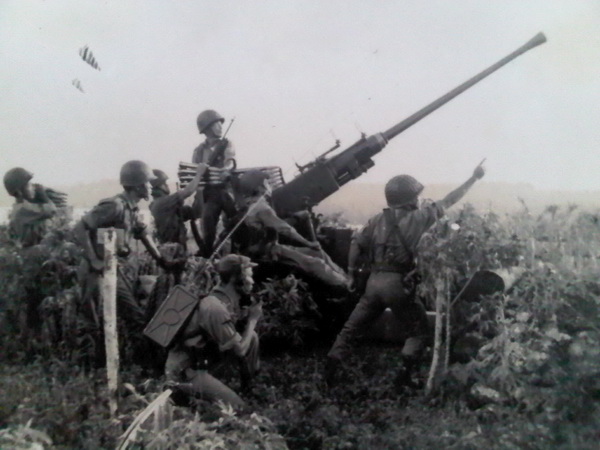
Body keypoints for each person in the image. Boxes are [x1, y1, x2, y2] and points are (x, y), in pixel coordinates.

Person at [326, 162, 486, 385]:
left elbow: (356, 244)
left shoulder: (377, 219)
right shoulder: (420, 217)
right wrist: (473, 178)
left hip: (373, 282)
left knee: (351, 329)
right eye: (416, 196)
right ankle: (404, 378)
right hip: (398, 285)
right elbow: (450, 199)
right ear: (409, 200)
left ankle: (331, 370)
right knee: (418, 331)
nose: (419, 199)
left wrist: (352, 274)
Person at [74, 160, 177, 328]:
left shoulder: (132, 208)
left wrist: (161, 260)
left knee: (134, 316)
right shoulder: (115, 206)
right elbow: (80, 227)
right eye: (148, 183)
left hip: (112, 268)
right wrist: (94, 260)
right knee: (91, 322)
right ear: (138, 186)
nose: (151, 187)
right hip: (94, 271)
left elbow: (142, 234)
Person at [165, 254, 262, 408]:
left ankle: (247, 387)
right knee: (239, 408)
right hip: (186, 370)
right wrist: (253, 320)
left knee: (252, 337)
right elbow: (240, 351)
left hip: (204, 358)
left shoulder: (224, 296)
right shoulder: (215, 307)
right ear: (234, 278)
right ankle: (182, 393)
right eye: (248, 276)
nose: (252, 281)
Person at [232, 170, 350, 291]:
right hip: (266, 251)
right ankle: (345, 286)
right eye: (266, 182)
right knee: (315, 263)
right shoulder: (261, 207)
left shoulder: (251, 204)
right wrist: (307, 243)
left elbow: (273, 223)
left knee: (318, 254)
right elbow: (284, 229)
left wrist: (296, 217)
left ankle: (346, 278)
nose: (269, 184)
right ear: (259, 187)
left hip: (269, 247)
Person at [192, 110, 237, 257]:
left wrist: (226, 169)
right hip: (209, 193)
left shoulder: (227, 143)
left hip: (226, 189)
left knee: (235, 223)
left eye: (220, 124)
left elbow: (230, 160)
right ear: (207, 128)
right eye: (216, 124)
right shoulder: (199, 150)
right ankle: (208, 255)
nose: (220, 127)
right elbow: (195, 171)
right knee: (208, 226)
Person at [149, 162, 208, 250]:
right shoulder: (161, 203)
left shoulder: (167, 206)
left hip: (176, 248)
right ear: (157, 186)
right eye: (164, 183)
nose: (167, 185)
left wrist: (200, 191)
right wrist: (199, 174)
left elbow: (197, 212)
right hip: (171, 249)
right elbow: (187, 192)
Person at [3, 167, 58, 248]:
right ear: (19, 192)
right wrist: (43, 196)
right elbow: (52, 210)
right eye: (29, 185)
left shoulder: (19, 207)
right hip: (28, 250)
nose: (33, 188)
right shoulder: (23, 209)